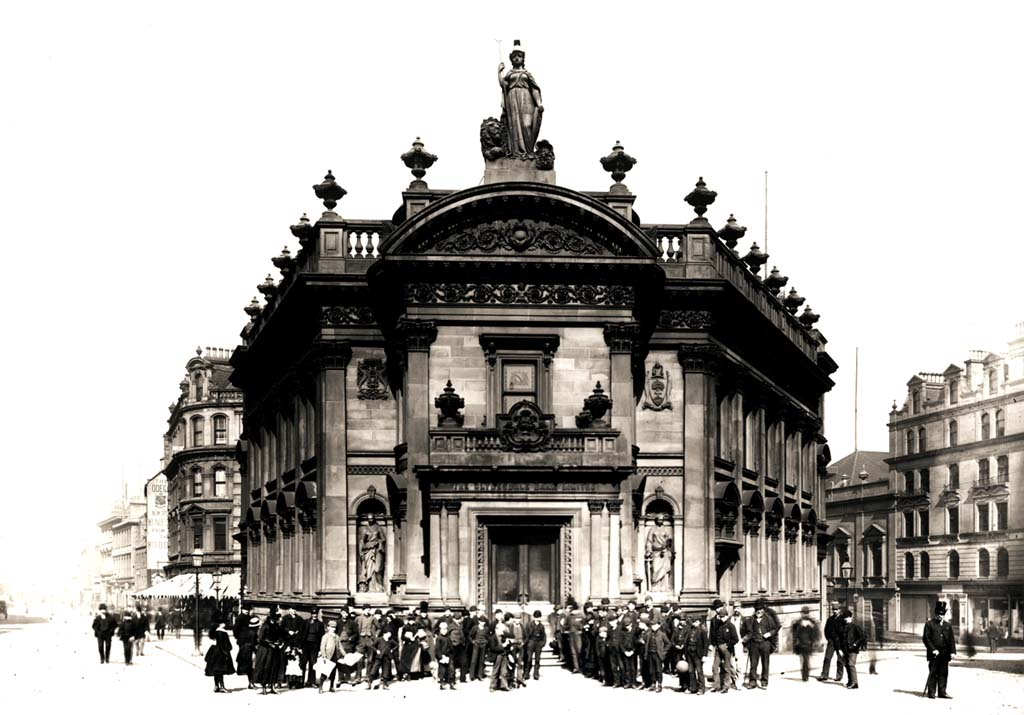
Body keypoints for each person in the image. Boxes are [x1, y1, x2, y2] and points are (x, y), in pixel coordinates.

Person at [497, 40, 543, 159]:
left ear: (523, 59)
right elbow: (504, 85)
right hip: (512, 98)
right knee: (514, 126)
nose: (517, 58)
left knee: (527, 125)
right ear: (511, 59)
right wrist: (499, 72)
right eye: (515, 56)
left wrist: (538, 103)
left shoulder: (527, 74)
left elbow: (534, 89)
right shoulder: (510, 73)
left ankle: (528, 151)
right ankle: (516, 152)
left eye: (520, 56)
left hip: (526, 99)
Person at [923, 601, 956, 699]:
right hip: (934, 654)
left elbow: (951, 640)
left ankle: (942, 692)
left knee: (943, 673)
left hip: (944, 654)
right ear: (935, 613)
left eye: (942, 614)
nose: (940, 616)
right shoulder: (929, 624)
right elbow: (926, 639)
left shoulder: (947, 625)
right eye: (938, 613)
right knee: (933, 672)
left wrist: (953, 651)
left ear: (944, 614)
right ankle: (931, 692)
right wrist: (933, 649)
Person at [741, 602, 776, 689]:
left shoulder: (768, 619)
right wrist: (746, 643)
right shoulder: (751, 619)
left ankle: (764, 682)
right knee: (753, 664)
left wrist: (769, 634)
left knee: (765, 664)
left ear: (763, 610)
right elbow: (746, 631)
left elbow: (774, 629)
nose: (759, 611)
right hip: (754, 644)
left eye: (760, 609)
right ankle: (752, 682)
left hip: (765, 643)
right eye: (757, 610)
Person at [253, 610, 285, 694]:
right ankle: (264, 687)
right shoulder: (265, 626)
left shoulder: (277, 626)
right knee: (265, 668)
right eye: (277, 618)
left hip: (275, 650)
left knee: (274, 668)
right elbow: (261, 639)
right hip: (265, 650)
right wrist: (270, 644)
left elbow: (281, 635)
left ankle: (273, 687)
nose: (278, 619)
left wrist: (279, 642)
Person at [709, 606, 738, 693]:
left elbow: (735, 639)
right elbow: (714, 636)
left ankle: (726, 686)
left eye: (723, 617)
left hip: (727, 649)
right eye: (720, 617)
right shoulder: (718, 625)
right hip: (718, 648)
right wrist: (714, 644)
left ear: (727, 616)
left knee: (726, 668)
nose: (722, 619)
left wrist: (727, 645)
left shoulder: (731, 626)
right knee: (715, 667)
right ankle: (717, 686)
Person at [838, 608, 866, 690]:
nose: (846, 619)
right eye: (844, 617)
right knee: (846, 664)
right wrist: (840, 648)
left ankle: (855, 683)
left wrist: (855, 644)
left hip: (853, 649)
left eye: (847, 617)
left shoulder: (855, 627)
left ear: (851, 617)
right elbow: (840, 638)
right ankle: (850, 681)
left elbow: (862, 637)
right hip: (845, 649)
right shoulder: (843, 627)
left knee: (851, 664)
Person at [818, 601, 845, 682]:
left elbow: (844, 632)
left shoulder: (842, 620)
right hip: (832, 642)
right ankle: (824, 675)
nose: (834, 611)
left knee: (840, 660)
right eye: (833, 609)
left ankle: (839, 676)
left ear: (839, 610)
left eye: (836, 609)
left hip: (840, 643)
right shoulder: (830, 619)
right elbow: (826, 630)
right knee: (827, 658)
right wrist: (829, 639)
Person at [791, 606, 820, 682]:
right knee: (803, 660)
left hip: (808, 644)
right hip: (801, 644)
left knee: (806, 660)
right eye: (803, 613)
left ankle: (805, 675)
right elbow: (794, 632)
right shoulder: (798, 622)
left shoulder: (812, 622)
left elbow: (816, 633)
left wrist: (815, 642)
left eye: (806, 613)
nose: (805, 615)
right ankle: (804, 675)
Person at [205, 621, 235, 693]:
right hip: (221, 653)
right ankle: (222, 686)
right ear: (220, 624)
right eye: (223, 623)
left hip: (214, 652)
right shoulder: (223, 633)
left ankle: (216, 686)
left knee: (216, 671)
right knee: (221, 670)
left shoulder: (215, 632)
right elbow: (225, 644)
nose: (225, 624)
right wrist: (226, 653)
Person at [300, 608, 327, 688]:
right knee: (303, 663)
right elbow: (301, 634)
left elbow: (322, 637)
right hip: (305, 645)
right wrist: (299, 647)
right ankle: (301, 681)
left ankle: (311, 681)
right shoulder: (305, 622)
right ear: (311, 614)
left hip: (315, 646)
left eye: (315, 614)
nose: (314, 615)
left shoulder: (320, 624)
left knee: (313, 663)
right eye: (313, 614)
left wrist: (320, 650)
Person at [683, 613, 708, 694]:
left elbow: (706, 644)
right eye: (692, 621)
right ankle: (692, 687)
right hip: (689, 653)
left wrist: (704, 655)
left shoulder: (702, 631)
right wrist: (685, 652)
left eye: (695, 622)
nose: (694, 623)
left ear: (699, 622)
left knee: (699, 671)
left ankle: (701, 688)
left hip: (698, 654)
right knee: (691, 671)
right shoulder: (689, 630)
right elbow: (686, 642)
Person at [317, 619, 341, 693]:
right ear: (328, 627)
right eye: (332, 627)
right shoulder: (325, 636)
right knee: (325, 672)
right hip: (327, 656)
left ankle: (331, 686)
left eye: (334, 627)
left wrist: (345, 655)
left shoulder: (336, 637)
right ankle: (320, 686)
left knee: (333, 673)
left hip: (334, 656)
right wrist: (324, 655)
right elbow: (322, 647)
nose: (333, 629)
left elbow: (340, 647)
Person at [236, 615, 259, 689]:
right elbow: (253, 644)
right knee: (251, 668)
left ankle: (251, 683)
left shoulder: (246, 632)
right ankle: (251, 683)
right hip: (250, 651)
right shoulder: (253, 634)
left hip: (244, 651)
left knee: (249, 668)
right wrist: (256, 651)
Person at [524, 609, 546, 680]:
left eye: (538, 617)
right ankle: (526, 673)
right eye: (536, 617)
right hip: (531, 642)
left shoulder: (541, 626)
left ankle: (536, 673)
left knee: (537, 659)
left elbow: (543, 635)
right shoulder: (529, 625)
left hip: (538, 643)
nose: (537, 619)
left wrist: (542, 643)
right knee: (529, 659)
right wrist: (527, 643)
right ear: (533, 617)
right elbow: (526, 634)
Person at [435, 620, 456, 690]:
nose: (444, 631)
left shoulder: (448, 637)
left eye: (445, 629)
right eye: (443, 629)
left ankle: (451, 682)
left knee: (451, 669)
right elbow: (437, 649)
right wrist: (440, 657)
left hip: (449, 654)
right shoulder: (439, 638)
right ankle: (441, 682)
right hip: (442, 656)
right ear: (440, 629)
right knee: (442, 670)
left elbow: (450, 645)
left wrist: (451, 652)